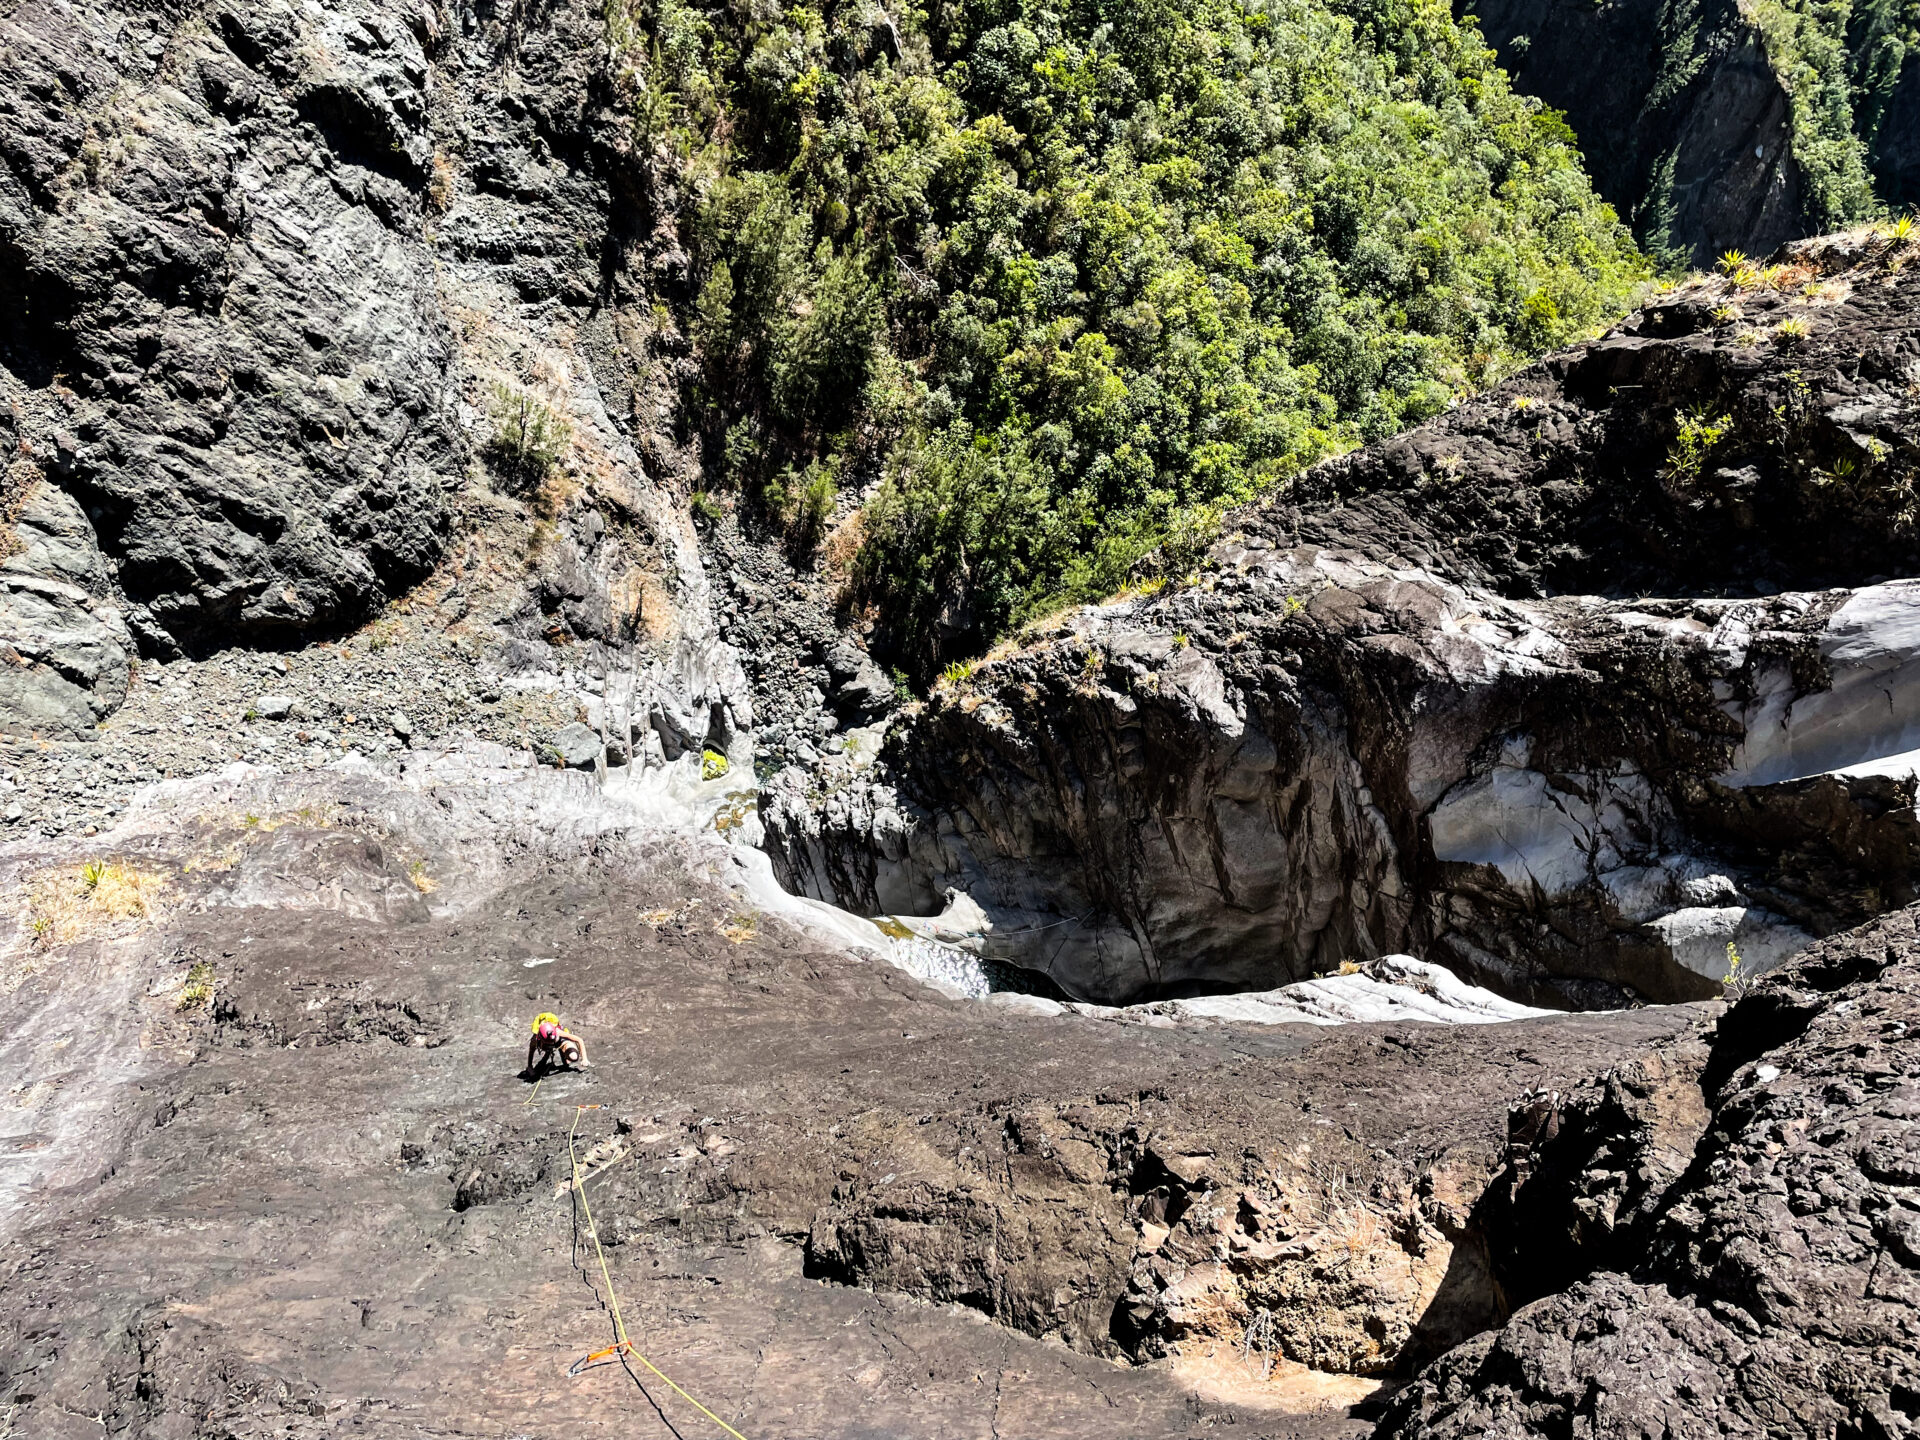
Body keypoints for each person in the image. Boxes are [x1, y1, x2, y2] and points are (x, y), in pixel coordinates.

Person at [524, 1012, 586, 1077]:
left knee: (573, 1056)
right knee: (543, 1062)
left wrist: (584, 1059)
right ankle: (547, 1057)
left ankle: (564, 1055)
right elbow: (531, 1052)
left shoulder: (558, 1032)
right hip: (547, 1047)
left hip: (561, 1042)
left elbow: (579, 1040)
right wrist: (530, 1067)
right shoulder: (535, 1040)